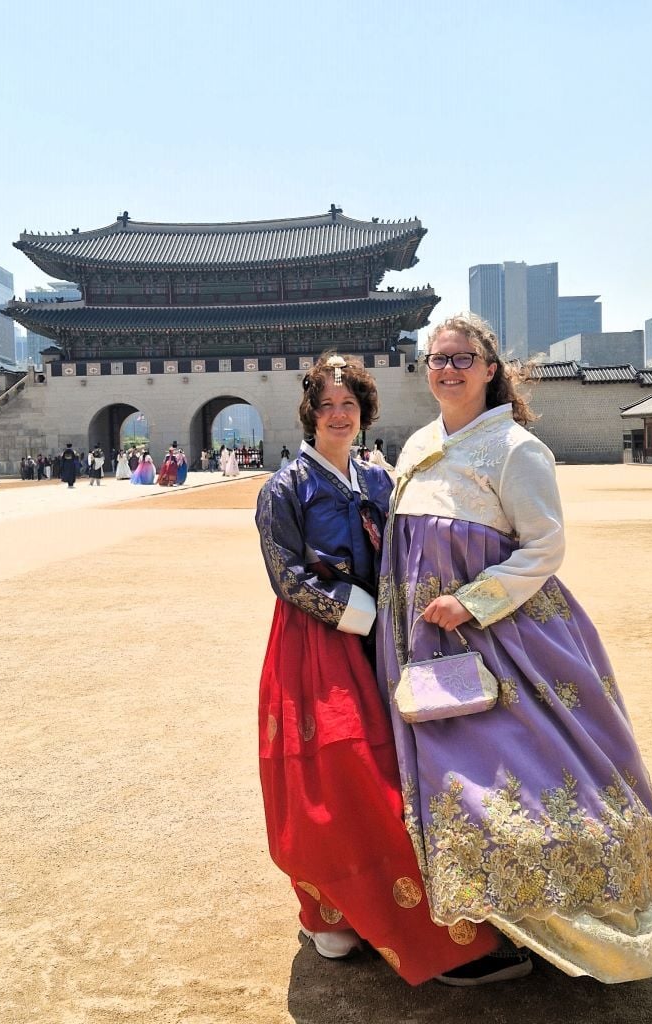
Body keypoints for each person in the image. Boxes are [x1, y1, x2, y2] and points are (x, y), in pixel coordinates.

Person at [376, 313, 652, 985]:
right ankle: (470, 929)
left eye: (462, 358)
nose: (448, 369)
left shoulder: (516, 449)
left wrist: (473, 601)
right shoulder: (417, 444)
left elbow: (544, 546)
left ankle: (541, 936)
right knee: (437, 780)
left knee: (519, 782)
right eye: (437, 358)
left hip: (504, 640)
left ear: (491, 370)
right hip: (419, 640)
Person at [255, 353, 499, 987]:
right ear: (310, 413)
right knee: (339, 775)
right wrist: (352, 611)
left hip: (387, 635)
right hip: (318, 643)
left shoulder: (379, 477)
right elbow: (287, 575)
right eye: (328, 405)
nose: (339, 415)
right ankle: (330, 908)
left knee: (402, 761)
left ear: (364, 413)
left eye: (350, 405)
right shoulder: (284, 487)